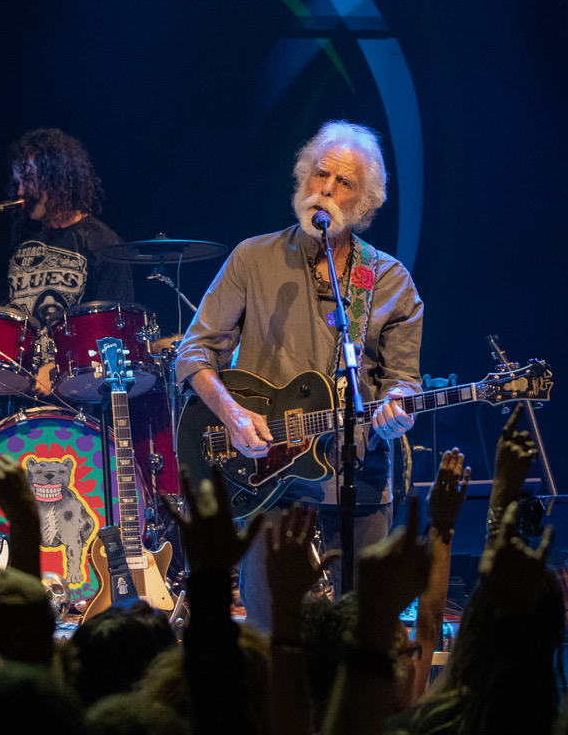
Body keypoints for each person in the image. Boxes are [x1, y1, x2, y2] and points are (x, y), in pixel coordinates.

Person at [174, 120, 423, 631]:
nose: (326, 189)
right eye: (319, 175)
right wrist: (233, 414)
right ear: (302, 180)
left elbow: (404, 381)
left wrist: (397, 409)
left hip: (361, 483)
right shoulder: (253, 257)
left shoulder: (391, 280)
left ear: (366, 204)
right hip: (271, 483)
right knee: (274, 633)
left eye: (343, 183)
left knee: (363, 636)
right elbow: (193, 353)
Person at [4, 127, 135, 396]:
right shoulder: (22, 239)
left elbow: (113, 335)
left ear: (57, 178)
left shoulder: (104, 243)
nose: (20, 190)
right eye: (18, 181)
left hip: (75, 400)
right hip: (16, 392)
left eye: (28, 180)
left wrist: (58, 368)